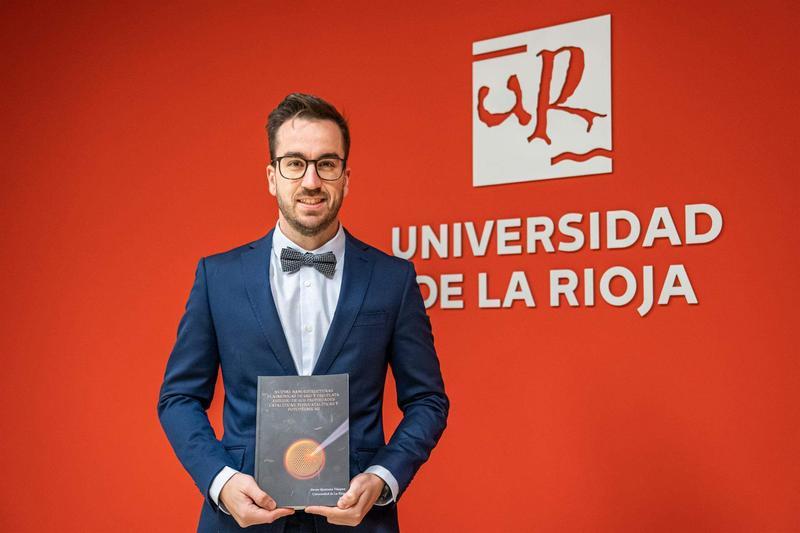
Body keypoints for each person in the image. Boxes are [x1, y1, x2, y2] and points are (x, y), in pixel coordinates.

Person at [157, 93, 449, 532]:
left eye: (326, 164)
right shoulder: (218, 277)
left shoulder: (393, 279)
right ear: (271, 177)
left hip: (358, 520)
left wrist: (383, 477)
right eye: (295, 163)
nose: (311, 181)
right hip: (241, 520)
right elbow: (178, 398)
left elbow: (428, 400)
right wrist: (221, 480)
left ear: (346, 178)